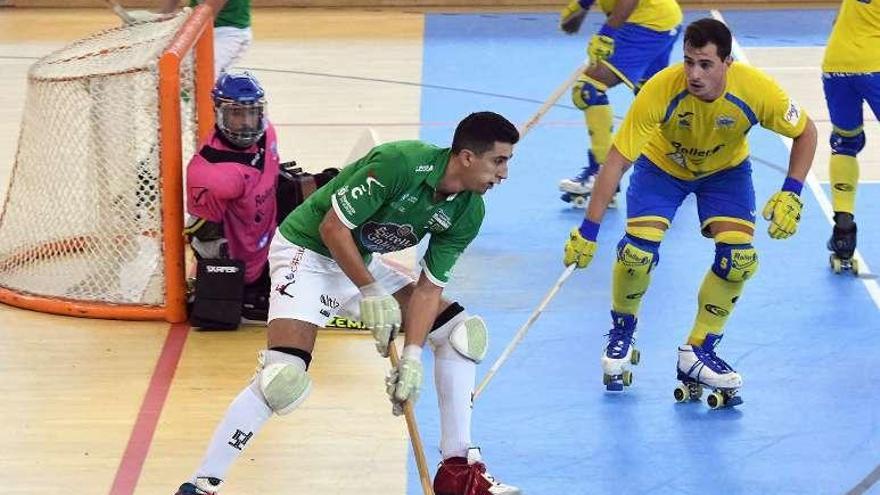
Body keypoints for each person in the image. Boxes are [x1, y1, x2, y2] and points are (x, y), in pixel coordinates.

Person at [174, 111, 522, 495]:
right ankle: (201, 484)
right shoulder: (399, 163)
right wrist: (371, 291)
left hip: (360, 263)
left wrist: (411, 358)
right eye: (499, 161)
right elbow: (332, 228)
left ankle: (458, 471)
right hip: (307, 255)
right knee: (283, 379)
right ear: (468, 157)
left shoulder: (468, 210)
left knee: (460, 333)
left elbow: (427, 290)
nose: (504, 174)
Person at [561, 19, 817, 407]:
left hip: (726, 173)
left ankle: (698, 350)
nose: (694, 74)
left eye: (705, 64)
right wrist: (589, 231)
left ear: (727, 63)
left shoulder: (757, 91)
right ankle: (622, 330)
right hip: (662, 169)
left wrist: (792, 192)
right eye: (689, 62)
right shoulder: (661, 90)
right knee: (637, 254)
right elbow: (615, 162)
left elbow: (806, 132)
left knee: (740, 260)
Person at [185, 70, 339, 330]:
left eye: (252, 112)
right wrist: (226, 291)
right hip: (255, 264)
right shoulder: (210, 173)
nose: (246, 122)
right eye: (236, 114)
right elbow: (203, 237)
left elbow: (269, 173)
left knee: (335, 183)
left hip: (273, 222)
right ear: (218, 112)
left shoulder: (267, 133)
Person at [557, 0, 682, 207]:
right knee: (651, 96)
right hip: (663, 19)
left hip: (645, 22)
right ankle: (683, 159)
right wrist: (582, 7)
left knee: (588, 88)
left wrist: (606, 33)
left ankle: (602, 173)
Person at [821, 0, 880, 274]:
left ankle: (843, 233)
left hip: (836, 63)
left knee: (846, 142)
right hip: (874, 64)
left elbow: (837, 21)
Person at [128, 0, 252, 79]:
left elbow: (207, 15)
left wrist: (168, 21)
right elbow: (171, 6)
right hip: (196, 27)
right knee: (165, 73)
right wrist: (155, 18)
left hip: (228, 33)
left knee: (202, 77)